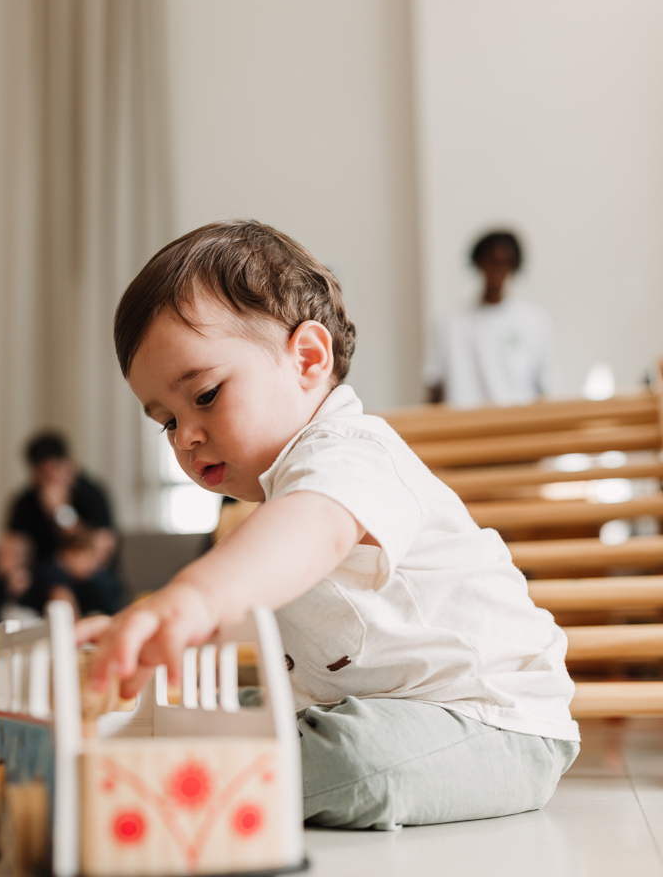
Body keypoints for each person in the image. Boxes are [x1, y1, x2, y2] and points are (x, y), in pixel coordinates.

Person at [78, 220, 579, 832]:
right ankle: (157, 756)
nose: (186, 436)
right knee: (231, 712)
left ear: (308, 359)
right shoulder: (282, 492)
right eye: (165, 421)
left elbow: (309, 531)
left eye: (205, 395)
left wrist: (192, 599)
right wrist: (157, 631)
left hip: (493, 723)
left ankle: (164, 794)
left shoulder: (350, 453)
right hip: (370, 705)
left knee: (352, 757)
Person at [0, 432, 123, 643]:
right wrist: (13, 572)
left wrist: (61, 513)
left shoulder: (91, 493)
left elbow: (101, 551)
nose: (51, 479)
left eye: (56, 470)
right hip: (42, 574)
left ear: (69, 465)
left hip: (85, 571)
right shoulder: (25, 500)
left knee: (99, 583)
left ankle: (95, 646)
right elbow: (10, 546)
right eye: (43, 473)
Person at [423, 230, 553, 407]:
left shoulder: (535, 321)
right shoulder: (449, 322)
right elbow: (434, 386)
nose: (497, 270)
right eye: (491, 261)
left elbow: (544, 387)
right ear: (478, 264)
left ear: (515, 266)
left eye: (505, 263)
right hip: (463, 427)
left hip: (518, 426)